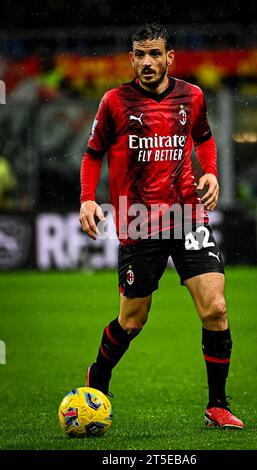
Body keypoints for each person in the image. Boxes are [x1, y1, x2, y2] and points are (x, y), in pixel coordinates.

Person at [79, 23, 244, 429]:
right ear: (131, 57)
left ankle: (217, 405)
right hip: (138, 222)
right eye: (139, 54)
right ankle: (99, 374)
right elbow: (92, 153)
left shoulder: (193, 96)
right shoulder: (115, 101)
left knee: (216, 308)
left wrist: (211, 173)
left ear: (170, 57)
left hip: (189, 215)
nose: (146, 62)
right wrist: (87, 198)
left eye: (154, 53)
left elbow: (204, 138)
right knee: (132, 321)